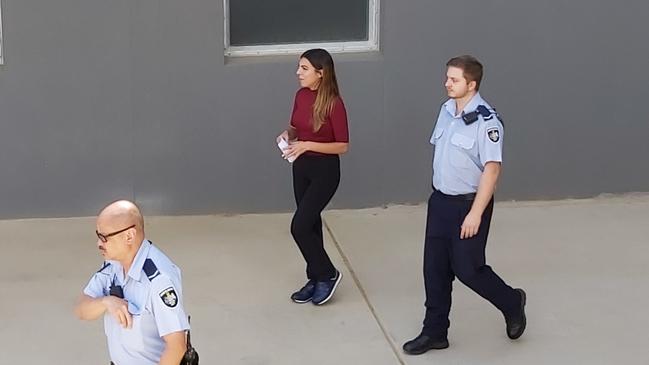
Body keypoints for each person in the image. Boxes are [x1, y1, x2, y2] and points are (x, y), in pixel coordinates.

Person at [403, 55, 527, 355]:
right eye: (447, 77)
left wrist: (475, 213)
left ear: (471, 84)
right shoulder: (446, 110)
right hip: (441, 202)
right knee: (434, 269)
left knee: (468, 270)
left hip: (469, 205)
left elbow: (492, 170)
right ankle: (434, 332)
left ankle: (512, 302)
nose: (447, 83)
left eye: (454, 79)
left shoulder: (487, 121)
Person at [74, 200, 190, 365]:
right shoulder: (112, 267)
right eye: (98, 236)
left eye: (104, 237)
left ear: (129, 236)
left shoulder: (159, 280)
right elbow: (81, 310)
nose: (98, 244)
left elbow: (177, 346)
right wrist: (107, 302)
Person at [277, 48, 349, 305]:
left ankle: (328, 274)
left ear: (321, 73)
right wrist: (288, 136)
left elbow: (342, 145)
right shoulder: (300, 95)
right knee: (311, 225)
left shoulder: (334, 104)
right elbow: (296, 127)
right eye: (299, 67)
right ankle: (316, 275)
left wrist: (307, 145)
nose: (298, 73)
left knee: (299, 226)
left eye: (304, 69)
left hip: (324, 172)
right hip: (301, 167)